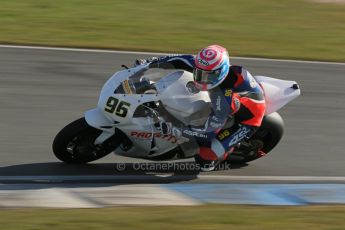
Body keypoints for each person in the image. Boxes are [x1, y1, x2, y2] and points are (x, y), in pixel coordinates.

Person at [136, 45, 266, 171]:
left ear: (221, 71)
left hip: (248, 118)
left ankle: (227, 150)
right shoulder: (205, 64)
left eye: (209, 76)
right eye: (199, 73)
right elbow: (176, 59)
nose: (202, 79)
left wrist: (177, 129)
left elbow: (207, 133)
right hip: (230, 99)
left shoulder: (224, 95)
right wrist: (147, 64)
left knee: (205, 158)